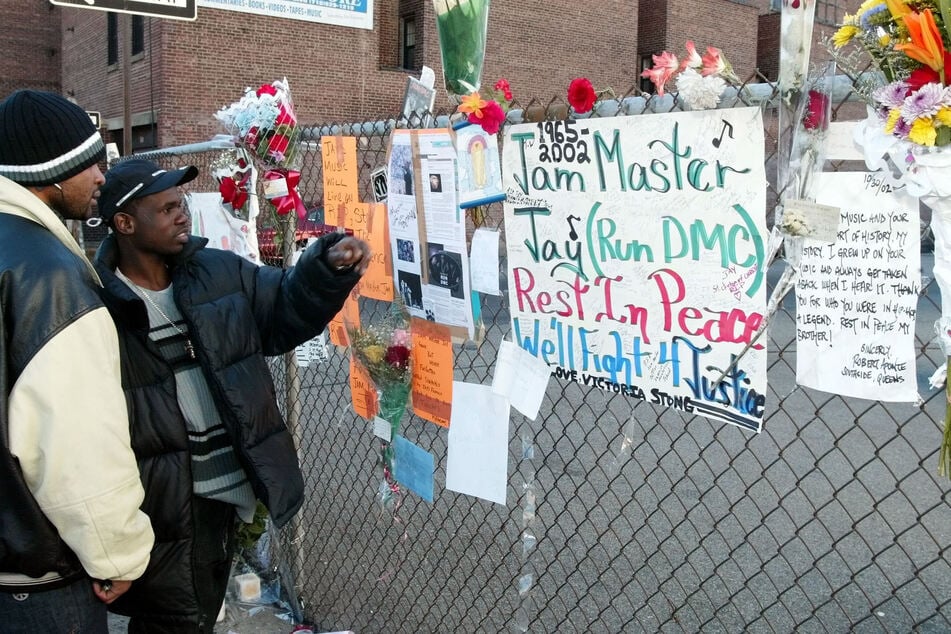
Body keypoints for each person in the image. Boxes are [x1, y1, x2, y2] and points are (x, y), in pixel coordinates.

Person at [93, 158, 370, 632]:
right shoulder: (97, 302)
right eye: (166, 209)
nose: (182, 214)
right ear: (125, 223)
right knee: (175, 619)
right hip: (164, 504)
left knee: (192, 614)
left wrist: (324, 269)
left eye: (181, 204)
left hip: (227, 496)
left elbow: (282, 307)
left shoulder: (216, 272)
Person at [0, 90, 154, 632]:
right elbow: (74, 444)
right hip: (33, 578)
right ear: (54, 173)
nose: (101, 178)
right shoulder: (49, 275)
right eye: (92, 163)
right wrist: (117, 555)